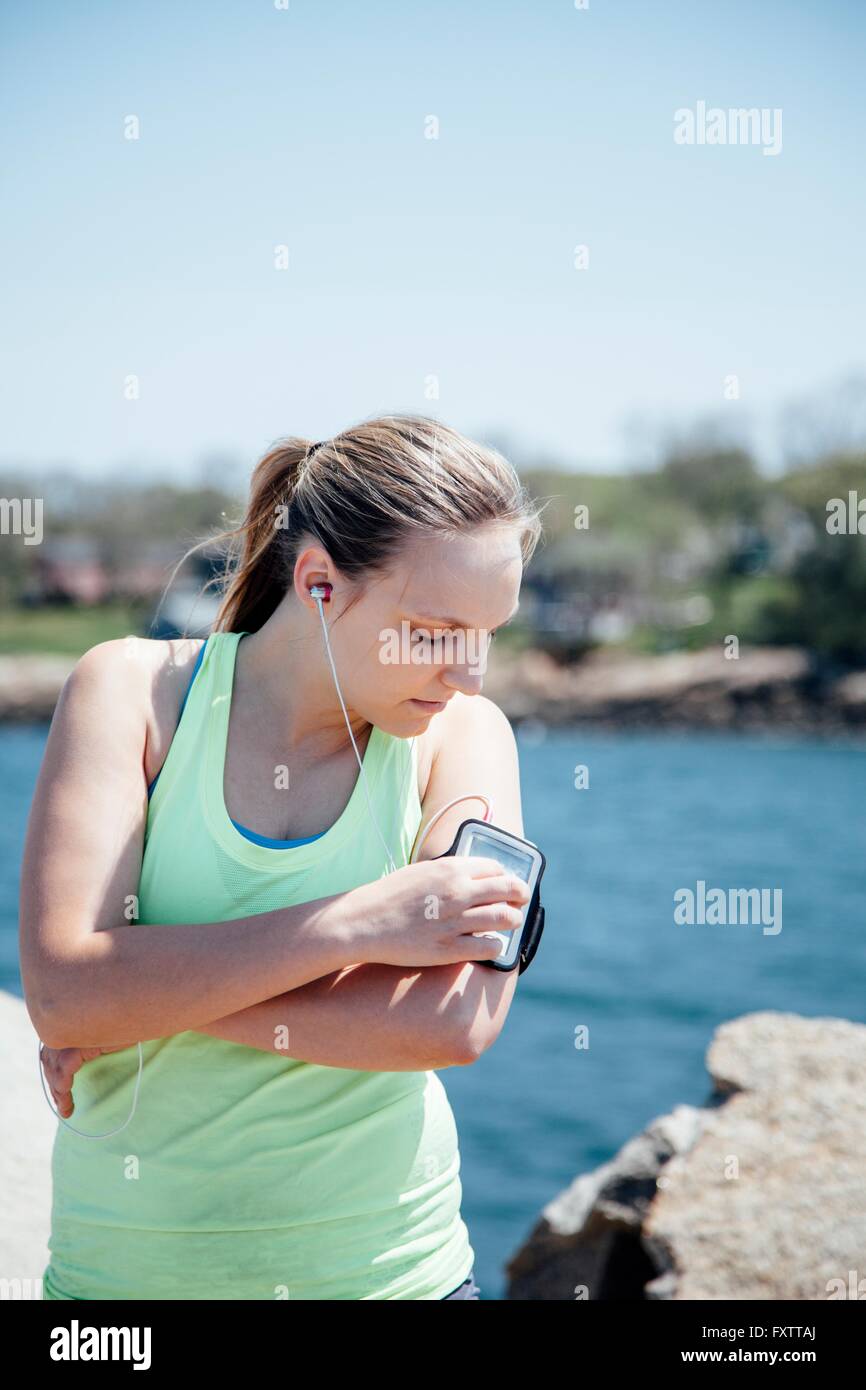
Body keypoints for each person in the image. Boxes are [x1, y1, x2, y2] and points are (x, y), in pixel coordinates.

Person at [23, 413, 543, 1300]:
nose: (469, 673)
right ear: (319, 585)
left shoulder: (466, 738)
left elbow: (454, 1024)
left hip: (396, 1280)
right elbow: (65, 992)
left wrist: (146, 1009)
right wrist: (358, 927)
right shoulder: (133, 693)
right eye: (434, 630)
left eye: (487, 632)